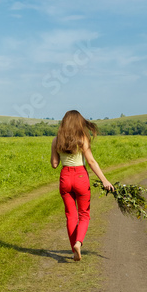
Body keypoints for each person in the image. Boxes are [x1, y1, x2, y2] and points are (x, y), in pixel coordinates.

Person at [51, 110, 114, 261]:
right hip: (80, 177)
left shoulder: (56, 139)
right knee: (84, 214)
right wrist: (105, 180)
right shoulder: (82, 138)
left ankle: (74, 249)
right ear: (78, 123)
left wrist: (58, 154)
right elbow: (91, 161)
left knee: (70, 215)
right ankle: (79, 242)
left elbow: (54, 164)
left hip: (65, 176)